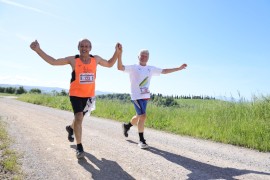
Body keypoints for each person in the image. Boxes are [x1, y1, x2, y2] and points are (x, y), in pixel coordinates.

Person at [30, 39, 121, 158]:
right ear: (78, 47)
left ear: (90, 48)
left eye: (87, 46)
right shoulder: (73, 60)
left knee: (79, 118)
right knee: (79, 117)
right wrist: (38, 50)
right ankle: (79, 147)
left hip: (89, 96)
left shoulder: (96, 59)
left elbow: (109, 64)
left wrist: (117, 52)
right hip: (75, 94)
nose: (84, 48)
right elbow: (53, 61)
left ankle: (70, 128)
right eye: (82, 46)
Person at [117, 48, 187, 149]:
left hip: (145, 96)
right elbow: (119, 67)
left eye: (146, 56)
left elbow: (165, 71)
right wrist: (119, 55)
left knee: (139, 116)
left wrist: (179, 68)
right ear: (138, 57)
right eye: (142, 55)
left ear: (148, 58)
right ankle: (141, 141)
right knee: (143, 116)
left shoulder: (150, 68)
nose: (144, 57)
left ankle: (127, 126)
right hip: (136, 96)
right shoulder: (133, 67)